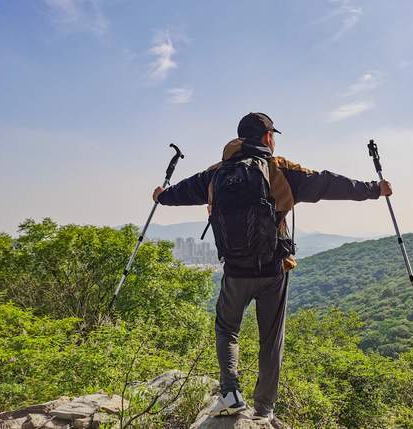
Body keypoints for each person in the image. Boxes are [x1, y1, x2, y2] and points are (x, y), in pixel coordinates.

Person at [152, 112, 392, 425]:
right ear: (267, 137)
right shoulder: (281, 170)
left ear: (240, 139)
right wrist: (374, 189)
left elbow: (177, 193)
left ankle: (230, 394)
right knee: (271, 339)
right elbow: (328, 183)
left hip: (235, 271)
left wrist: (161, 194)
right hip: (272, 269)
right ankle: (263, 411)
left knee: (227, 329)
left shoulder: (215, 174)